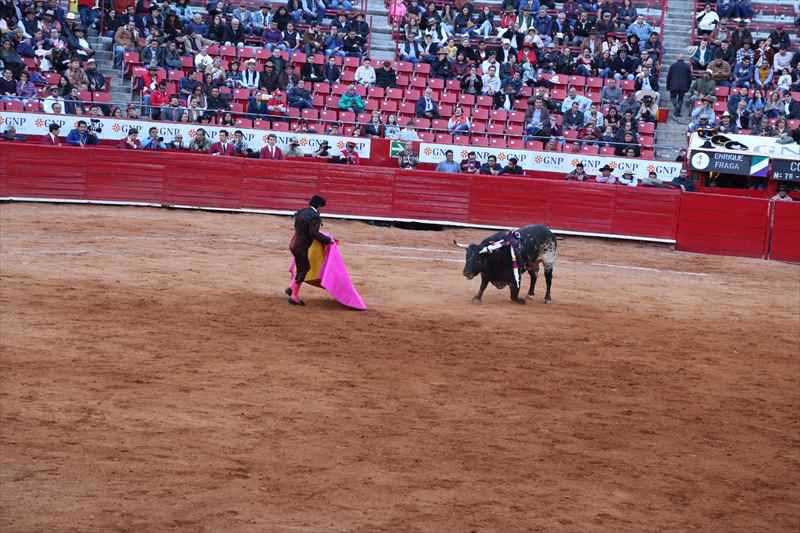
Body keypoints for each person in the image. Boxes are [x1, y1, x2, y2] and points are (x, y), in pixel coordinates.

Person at [285, 195, 333, 305]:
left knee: (302, 266)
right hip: (301, 246)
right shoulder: (314, 216)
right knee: (304, 269)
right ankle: (294, 296)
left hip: (293, 243)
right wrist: (328, 240)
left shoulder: (302, 211)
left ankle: (291, 288)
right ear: (319, 206)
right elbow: (313, 233)